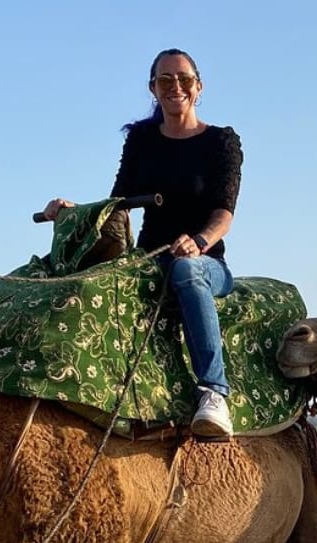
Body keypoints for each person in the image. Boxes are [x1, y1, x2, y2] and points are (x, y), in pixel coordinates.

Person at [42, 48, 243, 438]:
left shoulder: (221, 142)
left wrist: (199, 242)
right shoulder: (141, 140)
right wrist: (73, 210)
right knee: (91, 283)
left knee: (187, 270)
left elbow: (224, 214)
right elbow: (118, 204)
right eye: (165, 80)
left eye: (183, 79)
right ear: (154, 88)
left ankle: (214, 393)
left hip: (206, 264)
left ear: (198, 87)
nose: (175, 87)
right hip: (150, 257)